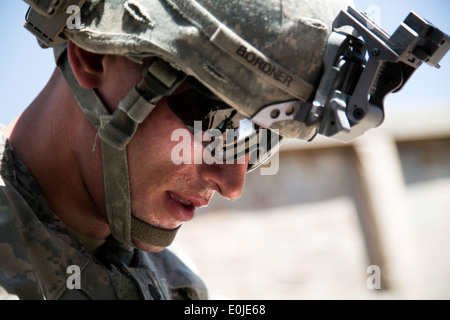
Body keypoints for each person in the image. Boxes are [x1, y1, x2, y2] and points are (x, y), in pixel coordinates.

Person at [1, 0, 446, 300]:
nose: (232, 182)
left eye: (263, 137)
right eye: (219, 123)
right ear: (93, 56)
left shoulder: (176, 284)